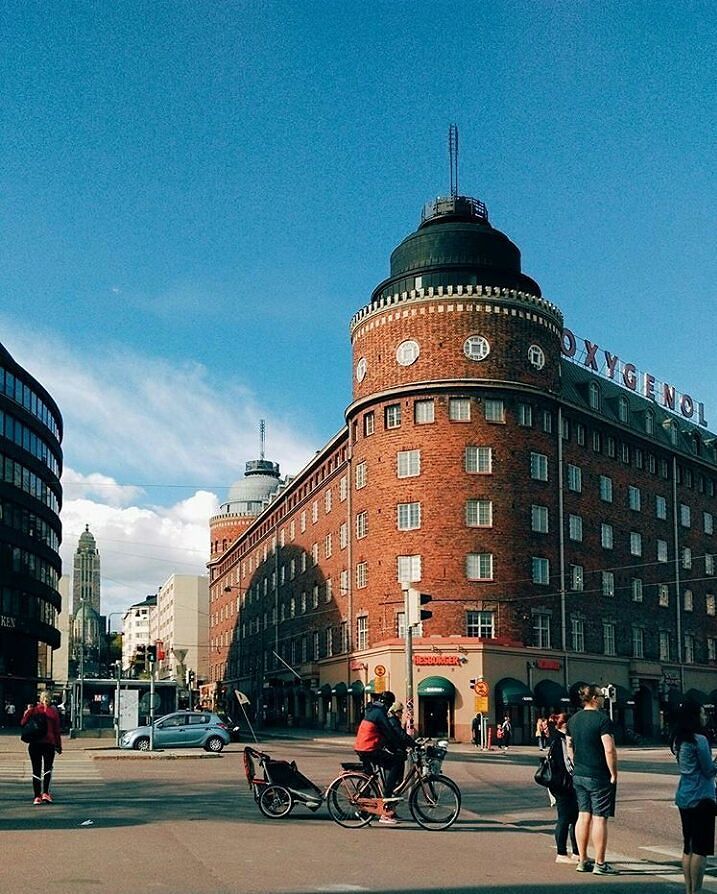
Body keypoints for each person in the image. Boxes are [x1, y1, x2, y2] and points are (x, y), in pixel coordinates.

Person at [567, 684, 618, 875]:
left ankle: (582, 859)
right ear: (594, 699)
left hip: (579, 774)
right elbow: (609, 749)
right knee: (599, 818)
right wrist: (613, 773)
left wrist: (576, 763)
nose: (604, 698)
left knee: (583, 815)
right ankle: (600, 863)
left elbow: (570, 746)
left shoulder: (573, 720)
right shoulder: (602, 720)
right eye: (601, 695)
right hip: (598, 775)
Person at [671, 701, 717, 894]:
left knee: (688, 846)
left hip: (684, 795)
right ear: (694, 717)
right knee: (700, 849)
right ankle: (695, 891)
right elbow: (709, 771)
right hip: (702, 797)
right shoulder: (700, 740)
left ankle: (689, 889)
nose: (705, 716)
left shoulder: (679, 740)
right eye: (702, 713)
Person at [354, 691, 407, 826]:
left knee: (372, 775)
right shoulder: (380, 712)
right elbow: (389, 732)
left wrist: (395, 747)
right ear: (389, 703)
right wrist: (398, 749)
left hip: (363, 747)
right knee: (395, 762)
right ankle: (386, 805)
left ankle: (365, 808)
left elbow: (385, 733)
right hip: (368, 748)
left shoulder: (374, 710)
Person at [20, 690, 62, 805]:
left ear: (40, 698)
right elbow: (57, 730)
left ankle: (36, 796)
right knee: (47, 769)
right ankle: (46, 794)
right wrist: (58, 746)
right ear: (51, 699)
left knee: (36, 770)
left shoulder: (33, 710)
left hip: (34, 744)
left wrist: (27, 712)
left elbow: (23, 723)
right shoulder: (53, 712)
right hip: (49, 743)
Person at [548, 713, 579, 863]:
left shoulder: (557, 738)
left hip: (561, 783)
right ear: (565, 725)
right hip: (563, 784)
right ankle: (561, 853)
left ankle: (577, 852)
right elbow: (568, 763)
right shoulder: (560, 739)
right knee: (565, 818)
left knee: (575, 818)